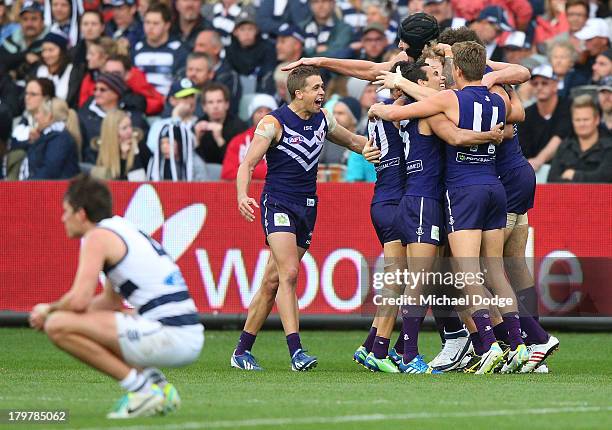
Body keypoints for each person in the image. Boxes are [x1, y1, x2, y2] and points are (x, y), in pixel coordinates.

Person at [369, 41, 528, 374]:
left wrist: (379, 108)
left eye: (443, 71)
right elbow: (515, 114)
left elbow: (409, 118)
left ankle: (479, 346)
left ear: (457, 70)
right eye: (433, 74)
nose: (440, 78)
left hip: (452, 194)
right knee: (485, 273)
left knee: (455, 274)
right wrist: (492, 135)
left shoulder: (443, 103)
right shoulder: (492, 98)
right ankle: (514, 345)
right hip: (470, 191)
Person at [230, 65, 376, 371]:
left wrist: (385, 151)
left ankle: (242, 350)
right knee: (290, 272)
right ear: (299, 93)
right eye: (316, 88)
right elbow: (247, 164)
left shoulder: (323, 119)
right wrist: (243, 195)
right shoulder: (273, 123)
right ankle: (296, 351)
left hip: (308, 206)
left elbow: (353, 142)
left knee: (272, 280)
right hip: (278, 203)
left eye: (322, 87)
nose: (322, 93)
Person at [29, 174, 204, 418]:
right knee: (97, 318)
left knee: (57, 325)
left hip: (171, 335)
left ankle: (143, 391)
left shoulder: (97, 237)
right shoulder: (120, 227)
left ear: (81, 214)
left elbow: (79, 300)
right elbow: (109, 303)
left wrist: (49, 310)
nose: (62, 218)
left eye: (66, 211)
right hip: (185, 334)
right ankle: (161, 388)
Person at [517, 64, 573, 173]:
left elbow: (559, 137)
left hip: (563, 168)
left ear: (555, 85)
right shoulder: (526, 114)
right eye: (535, 83)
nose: (539, 87)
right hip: (532, 169)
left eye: (544, 83)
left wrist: (539, 160)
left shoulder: (567, 107)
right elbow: (522, 147)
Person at [548, 94, 612, 182]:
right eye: (577, 120)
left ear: (596, 120)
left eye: (586, 119)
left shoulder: (609, 148)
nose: (582, 124)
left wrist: (574, 175)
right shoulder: (564, 147)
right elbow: (552, 181)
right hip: (567, 195)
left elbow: (605, 178)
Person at [133, 2, 188, 97]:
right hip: (141, 103)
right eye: (147, 22)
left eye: (156, 23)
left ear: (167, 25)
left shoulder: (179, 50)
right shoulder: (136, 49)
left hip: (169, 103)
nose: (150, 27)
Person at [20, 97, 80, 180]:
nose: (35, 117)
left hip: (54, 191)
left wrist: (28, 188)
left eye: (38, 112)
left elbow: (49, 171)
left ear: (49, 116)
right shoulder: (46, 137)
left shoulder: (61, 139)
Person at [221, 94, 277, 181]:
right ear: (252, 115)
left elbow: (285, 173)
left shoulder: (285, 141)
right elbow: (227, 173)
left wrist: (247, 170)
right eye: (259, 111)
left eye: (268, 111)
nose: (263, 115)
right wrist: (260, 171)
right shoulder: (238, 141)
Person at [194, 82, 248, 167]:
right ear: (204, 107)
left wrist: (219, 140)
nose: (215, 106)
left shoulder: (239, 127)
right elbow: (195, 164)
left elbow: (238, 162)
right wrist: (197, 140)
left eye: (219, 101)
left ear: (226, 104)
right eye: (210, 102)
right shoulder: (198, 125)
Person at [0, 1, 49, 80]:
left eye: (34, 19)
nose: (29, 24)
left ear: (43, 22)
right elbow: (2, 58)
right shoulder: (14, 37)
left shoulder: (50, 39)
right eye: (25, 19)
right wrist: (24, 56)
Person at [91, 110, 145, 180]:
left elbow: (139, 180)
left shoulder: (139, 146)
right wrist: (123, 157)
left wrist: (132, 154)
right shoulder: (97, 151)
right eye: (124, 128)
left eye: (130, 126)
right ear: (112, 132)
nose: (130, 131)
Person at [33, 31, 81, 105]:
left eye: (51, 50)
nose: (46, 55)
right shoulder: (39, 69)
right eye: (44, 50)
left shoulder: (72, 71)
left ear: (62, 51)